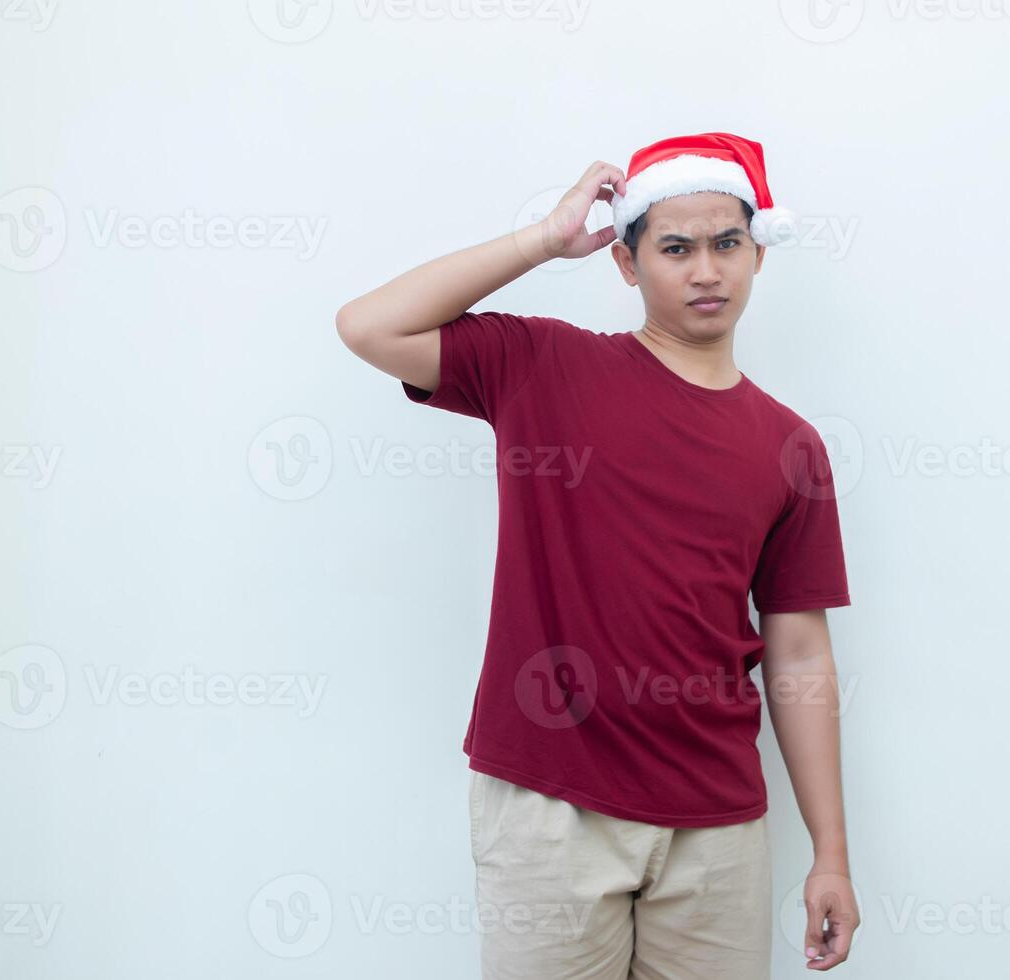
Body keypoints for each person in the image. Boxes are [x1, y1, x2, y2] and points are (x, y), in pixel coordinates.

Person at [336, 131, 861, 977]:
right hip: (552, 810)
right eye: (675, 248)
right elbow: (368, 325)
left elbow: (799, 649)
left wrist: (829, 852)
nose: (705, 271)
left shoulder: (791, 446)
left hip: (718, 827)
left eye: (728, 243)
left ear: (759, 254)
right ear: (627, 263)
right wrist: (543, 241)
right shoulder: (542, 367)